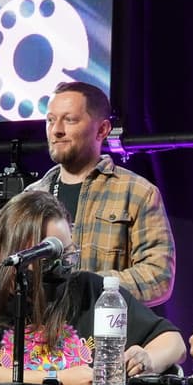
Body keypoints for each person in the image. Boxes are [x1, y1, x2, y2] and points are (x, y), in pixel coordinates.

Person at [0, 190, 185, 385]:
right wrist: (56, 378)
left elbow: (172, 341)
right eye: (50, 257)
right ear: (11, 253)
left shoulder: (92, 291)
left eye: (67, 253)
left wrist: (148, 359)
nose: (62, 267)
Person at [26, 81, 176, 307]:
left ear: (102, 130)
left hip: (105, 335)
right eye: (50, 120)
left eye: (70, 120)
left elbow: (158, 277)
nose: (56, 129)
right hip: (39, 335)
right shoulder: (31, 196)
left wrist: (87, 287)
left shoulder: (137, 192)